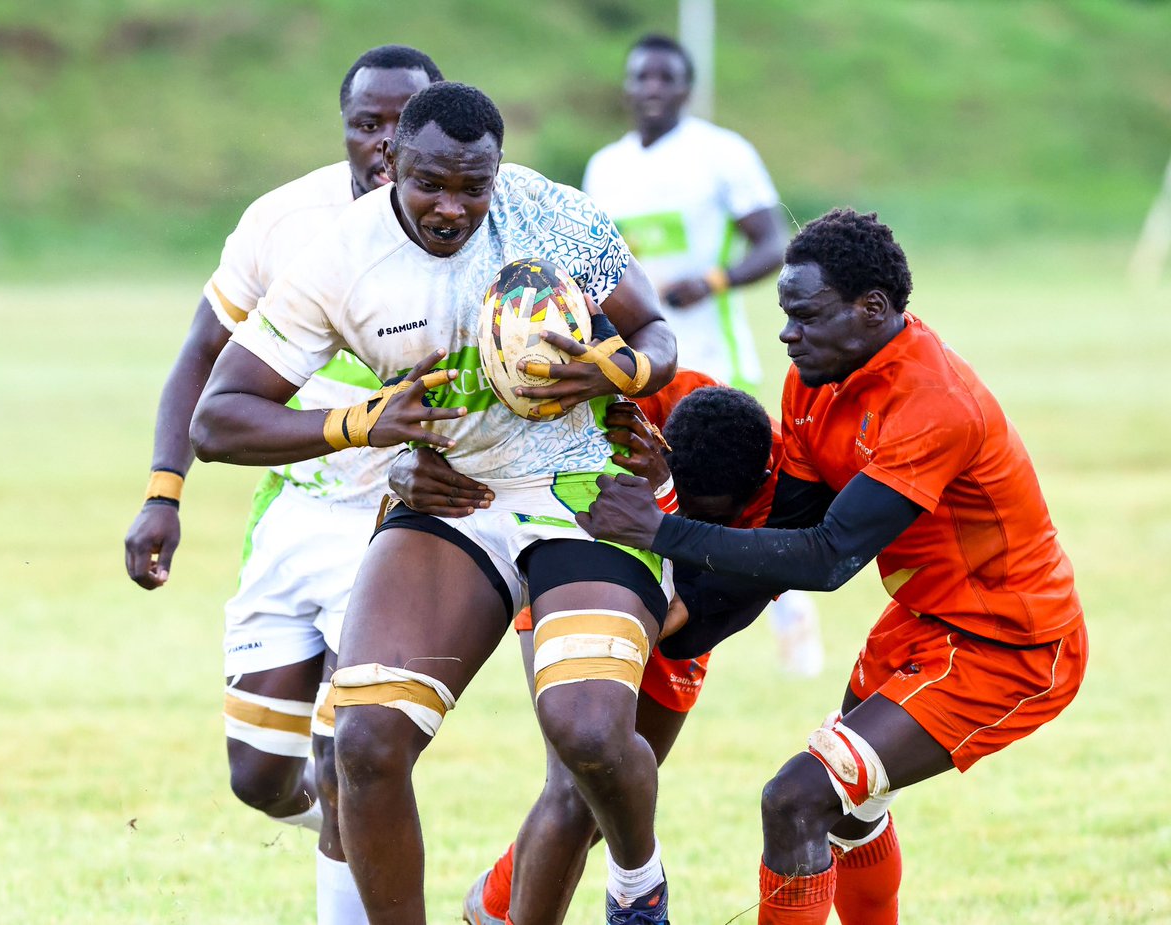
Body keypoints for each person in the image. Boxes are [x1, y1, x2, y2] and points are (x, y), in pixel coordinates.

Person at [190, 82, 681, 925]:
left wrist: (618, 371)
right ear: (389, 163)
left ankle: (638, 884)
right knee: (366, 743)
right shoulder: (340, 258)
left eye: (473, 186)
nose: (452, 206)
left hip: (581, 492)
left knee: (590, 731)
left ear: (498, 172)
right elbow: (218, 418)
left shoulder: (554, 212)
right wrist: (361, 425)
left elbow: (658, 334)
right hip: (452, 497)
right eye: (430, 184)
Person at [578, 209, 1088, 924]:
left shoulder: (933, 405)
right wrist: (689, 614)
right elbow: (789, 528)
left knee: (797, 799)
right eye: (785, 315)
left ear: (871, 308)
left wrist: (662, 530)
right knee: (850, 814)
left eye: (805, 316)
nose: (788, 334)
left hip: (1009, 642)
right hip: (918, 623)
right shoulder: (814, 379)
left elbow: (825, 558)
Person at [122, 45, 443, 925]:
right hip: (297, 507)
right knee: (260, 778)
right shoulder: (283, 220)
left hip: (400, 521)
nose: (382, 142)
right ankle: (366, 842)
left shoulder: (462, 227)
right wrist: (163, 490)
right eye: (365, 124)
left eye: (400, 125)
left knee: (351, 760)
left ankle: (360, 842)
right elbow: (201, 355)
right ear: (343, 129)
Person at [398, 374, 781, 925]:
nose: (698, 517)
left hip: (694, 597)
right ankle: (521, 908)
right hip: (574, 559)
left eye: (712, 515)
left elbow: (713, 611)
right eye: (686, 501)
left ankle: (495, 901)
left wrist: (673, 523)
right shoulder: (634, 401)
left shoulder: (780, 479)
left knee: (608, 797)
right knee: (577, 780)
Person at [584, 34, 824, 679]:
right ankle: (661, 625)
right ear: (628, 87)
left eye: (666, 78)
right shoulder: (605, 167)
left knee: (759, 502)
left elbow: (773, 242)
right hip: (645, 365)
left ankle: (791, 626)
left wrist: (714, 281)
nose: (653, 88)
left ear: (685, 88)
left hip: (719, 365)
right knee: (659, 492)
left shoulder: (722, 154)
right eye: (642, 77)